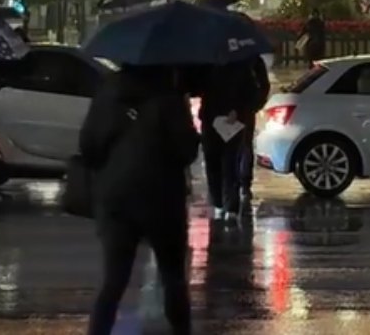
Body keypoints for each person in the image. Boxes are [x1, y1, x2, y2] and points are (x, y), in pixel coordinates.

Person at [80, 65, 199, 335]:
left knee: (113, 281)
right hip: (162, 197)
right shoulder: (169, 95)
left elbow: (88, 145)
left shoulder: (108, 91)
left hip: (115, 196)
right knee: (172, 277)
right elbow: (186, 150)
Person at [198, 59, 266, 220]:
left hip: (231, 120)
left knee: (229, 162)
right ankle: (222, 204)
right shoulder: (208, 63)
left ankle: (228, 205)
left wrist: (242, 111)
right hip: (214, 118)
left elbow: (255, 91)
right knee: (217, 161)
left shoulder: (242, 62)